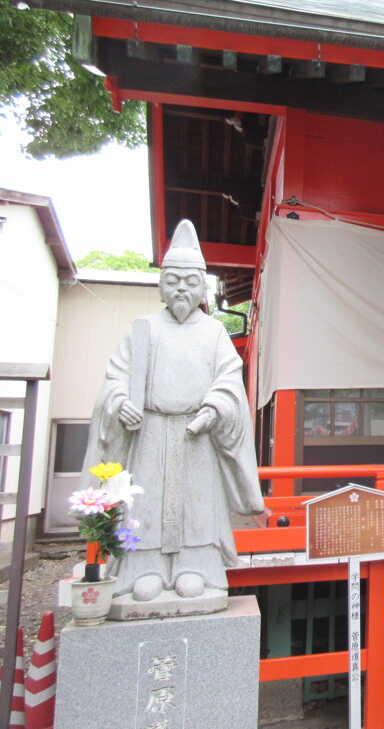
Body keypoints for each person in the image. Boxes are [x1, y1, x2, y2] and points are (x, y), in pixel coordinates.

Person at [82, 219, 264, 617]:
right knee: (145, 503)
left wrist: (214, 409)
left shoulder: (214, 333)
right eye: (173, 280)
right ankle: (142, 569)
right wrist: (119, 402)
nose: (181, 288)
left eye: (190, 281)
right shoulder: (142, 331)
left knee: (198, 507)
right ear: (161, 284)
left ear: (203, 286)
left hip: (196, 434)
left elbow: (230, 381)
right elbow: (115, 379)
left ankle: (196, 567)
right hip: (149, 432)